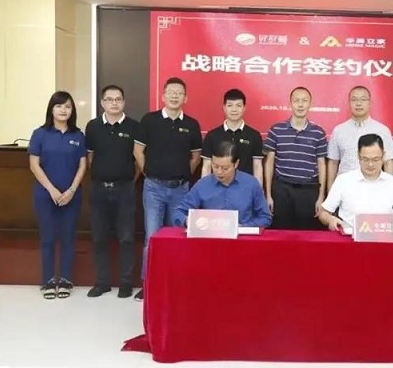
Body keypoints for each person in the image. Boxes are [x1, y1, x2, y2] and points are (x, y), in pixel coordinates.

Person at [133, 76, 202, 301]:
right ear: (163, 96)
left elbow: (196, 157)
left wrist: (182, 174)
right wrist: (149, 172)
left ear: (185, 98)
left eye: (179, 93)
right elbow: (138, 151)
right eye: (171, 92)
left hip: (181, 190)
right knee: (152, 238)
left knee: (177, 237)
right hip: (153, 188)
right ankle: (148, 284)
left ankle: (175, 283)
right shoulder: (149, 120)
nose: (175, 96)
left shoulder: (191, 124)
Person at [28, 91, 87, 300]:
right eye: (59, 106)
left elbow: (82, 165)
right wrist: (52, 190)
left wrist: (71, 190)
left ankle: (66, 280)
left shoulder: (78, 135)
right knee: (48, 237)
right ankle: (48, 280)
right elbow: (34, 165)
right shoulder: (40, 134)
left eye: (68, 106)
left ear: (72, 111)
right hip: (45, 195)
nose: (64, 110)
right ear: (51, 109)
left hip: (72, 196)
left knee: (68, 237)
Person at [84, 84, 139, 299]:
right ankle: (102, 282)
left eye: (118, 99)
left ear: (123, 102)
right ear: (102, 103)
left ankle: (126, 283)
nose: (114, 103)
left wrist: (128, 179)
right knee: (99, 237)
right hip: (99, 189)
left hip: (125, 189)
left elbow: (138, 160)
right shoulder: (93, 126)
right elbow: (89, 157)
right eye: (109, 99)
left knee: (126, 237)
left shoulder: (134, 126)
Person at [319, 133, 393, 231]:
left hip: (384, 237)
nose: (370, 164)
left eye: (375, 159)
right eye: (365, 159)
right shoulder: (344, 180)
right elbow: (323, 213)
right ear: (358, 156)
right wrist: (330, 220)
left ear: (383, 155)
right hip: (350, 237)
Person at [264, 87, 328, 230]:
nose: (300, 104)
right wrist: (268, 195)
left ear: (310, 104)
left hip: (308, 190)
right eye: (296, 101)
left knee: (307, 234)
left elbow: (322, 165)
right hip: (282, 189)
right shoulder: (276, 130)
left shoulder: (318, 133)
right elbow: (269, 163)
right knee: (280, 232)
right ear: (290, 104)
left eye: (304, 101)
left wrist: (321, 197)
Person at [173, 141, 272, 228]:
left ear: (236, 164)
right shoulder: (202, 185)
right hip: (210, 238)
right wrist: (188, 221)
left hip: (242, 238)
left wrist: (243, 227)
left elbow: (265, 217)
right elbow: (178, 212)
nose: (219, 172)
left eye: (225, 168)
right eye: (215, 166)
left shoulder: (251, 184)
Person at [327, 86, 393, 190]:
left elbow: (388, 163)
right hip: (344, 188)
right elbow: (333, 163)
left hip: (373, 188)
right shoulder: (339, 130)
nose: (358, 103)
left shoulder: (382, 130)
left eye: (363, 99)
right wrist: (330, 192)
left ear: (370, 103)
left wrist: (389, 190)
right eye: (354, 100)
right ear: (349, 103)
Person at [201, 89, 263, 186]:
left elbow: (257, 166)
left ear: (244, 108)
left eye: (238, 105)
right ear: (224, 108)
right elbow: (207, 166)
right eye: (230, 105)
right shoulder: (212, 135)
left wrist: (258, 191)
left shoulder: (254, 135)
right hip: (217, 187)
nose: (234, 109)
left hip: (245, 188)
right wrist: (204, 189)